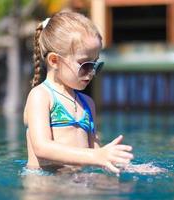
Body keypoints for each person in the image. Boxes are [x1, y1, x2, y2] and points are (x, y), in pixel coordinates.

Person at [23, 11, 133, 174]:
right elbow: (42, 147)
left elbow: (95, 152)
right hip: (45, 183)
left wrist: (124, 166)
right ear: (54, 61)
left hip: (77, 180)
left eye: (95, 65)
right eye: (85, 65)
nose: (91, 72)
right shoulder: (41, 96)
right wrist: (95, 156)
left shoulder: (87, 103)